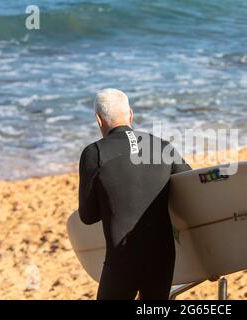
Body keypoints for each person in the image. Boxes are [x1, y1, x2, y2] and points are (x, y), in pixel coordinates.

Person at [78, 88, 191, 300]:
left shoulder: (94, 154)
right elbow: (192, 189)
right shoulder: (163, 147)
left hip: (122, 260)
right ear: (130, 114)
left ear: (99, 120)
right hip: (163, 257)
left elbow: (88, 216)